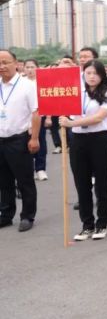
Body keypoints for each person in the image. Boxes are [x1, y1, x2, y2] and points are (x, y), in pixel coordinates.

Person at [59, 60, 107, 240]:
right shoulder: (75, 90)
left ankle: (102, 224)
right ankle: (87, 225)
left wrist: (71, 123)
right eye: (88, 72)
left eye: (96, 73)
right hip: (78, 140)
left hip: (99, 139)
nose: (92, 76)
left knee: (102, 182)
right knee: (81, 183)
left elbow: (98, 118)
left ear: (102, 75)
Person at [0, 49, 40, 232]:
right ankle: (6, 214)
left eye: (5, 62)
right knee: (4, 181)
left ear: (16, 64)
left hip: (19, 139)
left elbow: (36, 112)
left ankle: (28, 215)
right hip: (1, 139)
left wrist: (34, 138)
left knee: (24, 180)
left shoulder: (27, 85)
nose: (2, 66)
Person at [22, 59, 49, 181]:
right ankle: (29, 169)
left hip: (39, 117)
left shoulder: (43, 82)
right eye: (27, 67)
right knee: (24, 144)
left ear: (37, 68)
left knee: (40, 142)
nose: (29, 70)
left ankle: (40, 169)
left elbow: (48, 101)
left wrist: (48, 117)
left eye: (32, 67)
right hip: (23, 119)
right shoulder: (21, 83)